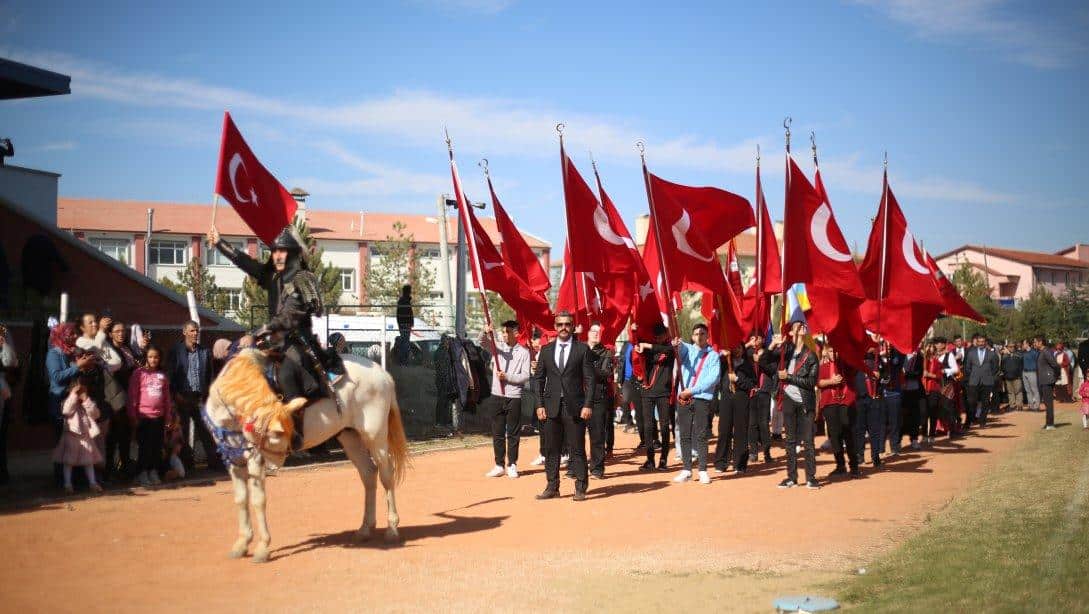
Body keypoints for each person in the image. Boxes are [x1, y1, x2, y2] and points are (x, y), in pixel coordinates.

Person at [207, 225, 342, 422]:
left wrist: (255, 332)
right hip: (275, 342)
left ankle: (296, 429)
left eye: (282, 251)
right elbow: (247, 264)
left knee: (286, 372)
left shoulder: (301, 279)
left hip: (298, 342)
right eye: (274, 251)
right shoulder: (273, 277)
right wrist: (220, 243)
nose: (277, 256)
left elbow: (288, 317)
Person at [531, 311, 596, 501]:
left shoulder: (582, 349)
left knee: (577, 448)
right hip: (551, 406)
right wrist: (539, 404)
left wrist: (588, 404)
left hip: (575, 406)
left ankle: (581, 486)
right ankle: (552, 486)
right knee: (551, 448)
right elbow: (538, 379)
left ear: (573, 326)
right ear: (555, 326)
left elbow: (590, 380)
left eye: (567, 324)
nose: (563, 328)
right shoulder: (546, 350)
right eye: (560, 325)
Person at [46, 323, 97, 487]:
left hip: (79, 405)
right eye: (71, 334)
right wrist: (78, 366)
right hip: (62, 404)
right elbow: (57, 377)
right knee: (63, 444)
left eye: (75, 333)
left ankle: (79, 480)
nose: (75, 336)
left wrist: (87, 367)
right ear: (61, 336)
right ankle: (62, 481)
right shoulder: (54, 354)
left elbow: (80, 376)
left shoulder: (74, 353)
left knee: (81, 443)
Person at [479, 320, 531, 479]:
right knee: (497, 431)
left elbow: (525, 376)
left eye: (507, 332)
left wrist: (507, 377)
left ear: (516, 333)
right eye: (502, 332)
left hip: (513, 396)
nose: (504, 335)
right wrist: (485, 331)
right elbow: (481, 342)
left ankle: (512, 464)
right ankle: (499, 464)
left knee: (513, 433)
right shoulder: (498, 348)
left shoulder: (524, 352)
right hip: (497, 395)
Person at [771, 322, 819, 489]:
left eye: (803, 326)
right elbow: (765, 361)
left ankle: (811, 478)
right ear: (791, 332)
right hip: (789, 400)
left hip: (805, 401)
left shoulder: (811, 355)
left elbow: (811, 381)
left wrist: (789, 377)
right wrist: (772, 345)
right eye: (797, 326)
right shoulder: (786, 352)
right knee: (790, 441)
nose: (800, 327)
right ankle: (791, 477)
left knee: (808, 441)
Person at [168, 321, 220, 471]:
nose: (195, 333)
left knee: (206, 430)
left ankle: (214, 463)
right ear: (184, 332)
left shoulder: (205, 352)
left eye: (196, 331)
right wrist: (175, 394)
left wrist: (208, 395)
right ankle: (187, 464)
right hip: (182, 397)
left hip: (199, 398)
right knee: (182, 432)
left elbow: (210, 376)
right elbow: (170, 375)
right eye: (191, 331)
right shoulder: (176, 351)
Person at [673, 323, 720, 484]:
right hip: (684, 399)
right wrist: (677, 344)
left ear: (707, 336)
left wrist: (693, 390)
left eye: (702, 333)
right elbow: (680, 349)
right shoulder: (688, 349)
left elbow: (712, 379)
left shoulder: (713, 356)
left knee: (701, 434)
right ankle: (686, 469)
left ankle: (702, 470)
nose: (699, 336)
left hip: (701, 398)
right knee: (684, 435)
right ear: (692, 336)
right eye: (696, 334)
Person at [127, 345, 174, 486]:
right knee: (144, 447)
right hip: (143, 417)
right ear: (146, 358)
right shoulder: (138, 374)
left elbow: (166, 398)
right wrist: (133, 416)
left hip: (158, 418)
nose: (153, 360)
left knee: (156, 446)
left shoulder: (162, 376)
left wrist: (168, 417)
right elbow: (132, 396)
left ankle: (153, 471)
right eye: (150, 357)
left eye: (156, 357)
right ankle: (142, 473)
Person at [635, 322, 675, 472]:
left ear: (666, 334)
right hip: (647, 392)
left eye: (661, 335)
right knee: (648, 426)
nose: (658, 338)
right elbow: (639, 348)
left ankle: (663, 459)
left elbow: (664, 349)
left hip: (663, 392)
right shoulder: (649, 348)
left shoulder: (670, 348)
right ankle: (650, 459)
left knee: (664, 426)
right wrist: (635, 334)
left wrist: (648, 346)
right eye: (656, 335)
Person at [53, 377, 103, 494]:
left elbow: (95, 414)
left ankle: (92, 483)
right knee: (68, 461)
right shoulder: (68, 401)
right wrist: (73, 395)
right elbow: (66, 411)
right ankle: (67, 484)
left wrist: (85, 399)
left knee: (88, 461)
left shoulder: (89, 401)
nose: (80, 392)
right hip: (71, 435)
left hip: (86, 436)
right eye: (77, 390)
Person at [714, 340, 755, 475]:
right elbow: (714, 364)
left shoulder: (748, 365)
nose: (737, 350)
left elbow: (751, 384)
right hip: (726, 398)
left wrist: (737, 380)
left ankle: (740, 464)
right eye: (734, 348)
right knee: (724, 430)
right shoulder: (725, 362)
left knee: (741, 431)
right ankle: (721, 462)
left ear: (743, 349)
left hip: (741, 399)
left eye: (739, 348)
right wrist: (723, 355)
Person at [818, 342, 859, 478]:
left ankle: (854, 465)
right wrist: (831, 381)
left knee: (848, 432)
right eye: (830, 351)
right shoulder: (823, 367)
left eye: (835, 351)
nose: (833, 354)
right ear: (825, 352)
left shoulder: (846, 365)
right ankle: (840, 465)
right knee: (834, 435)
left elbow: (855, 369)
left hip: (845, 401)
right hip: (829, 402)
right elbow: (818, 383)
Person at [585, 323, 615, 479]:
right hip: (578, 396)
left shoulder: (606, 353)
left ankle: (597, 468)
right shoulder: (579, 349)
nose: (596, 334)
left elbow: (606, 373)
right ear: (588, 333)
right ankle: (574, 466)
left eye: (599, 332)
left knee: (597, 435)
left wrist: (588, 365)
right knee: (574, 434)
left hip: (598, 397)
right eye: (593, 331)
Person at [963, 333, 999, 429]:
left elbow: (995, 368)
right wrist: (973, 375)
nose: (981, 343)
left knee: (985, 402)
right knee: (971, 402)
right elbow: (967, 367)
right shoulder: (971, 353)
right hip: (974, 381)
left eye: (983, 342)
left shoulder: (991, 354)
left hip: (987, 381)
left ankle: (982, 422)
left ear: (985, 342)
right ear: (977, 342)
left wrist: (988, 375)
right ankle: (969, 421)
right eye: (979, 342)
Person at [752, 333, 777, 464]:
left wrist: (760, 361)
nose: (756, 340)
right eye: (753, 338)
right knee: (752, 423)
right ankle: (753, 452)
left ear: (763, 339)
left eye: (758, 338)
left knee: (763, 422)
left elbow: (773, 369)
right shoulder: (748, 353)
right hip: (751, 391)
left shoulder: (769, 354)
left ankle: (767, 452)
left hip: (764, 391)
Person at [901, 345, 925, 450]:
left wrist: (906, 374)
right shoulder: (900, 355)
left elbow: (919, 374)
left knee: (915, 416)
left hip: (915, 391)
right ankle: (898, 441)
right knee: (902, 417)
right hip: (902, 391)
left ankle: (914, 439)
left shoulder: (919, 357)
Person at [1036, 336, 1060, 430]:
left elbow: (1055, 364)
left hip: (1047, 381)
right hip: (1043, 380)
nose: (1034, 344)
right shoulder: (1042, 352)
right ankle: (1048, 423)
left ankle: (1050, 424)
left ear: (1040, 342)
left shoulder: (1046, 351)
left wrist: (1055, 376)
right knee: (1046, 403)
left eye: (1035, 342)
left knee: (1049, 403)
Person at [1000, 344, 1023, 411]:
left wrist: (1019, 375)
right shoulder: (1004, 356)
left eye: (1013, 347)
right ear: (1007, 348)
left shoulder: (1018, 355)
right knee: (1010, 392)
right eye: (1010, 347)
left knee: (1018, 391)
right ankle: (1012, 405)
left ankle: (1019, 405)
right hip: (1007, 377)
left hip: (1017, 377)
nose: (1012, 348)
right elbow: (1002, 366)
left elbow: (1021, 366)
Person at [396, 285, 414, 366]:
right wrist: (410, 322)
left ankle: (403, 360)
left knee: (405, 341)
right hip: (405, 324)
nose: (411, 292)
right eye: (410, 291)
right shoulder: (404, 301)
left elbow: (399, 314)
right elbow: (407, 313)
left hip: (404, 324)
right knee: (405, 342)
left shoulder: (403, 301)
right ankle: (403, 361)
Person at [1021, 339, 1041, 412]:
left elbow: (1038, 361)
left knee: (1034, 389)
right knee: (1028, 390)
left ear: (1028, 344)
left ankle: (1037, 406)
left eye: (1024, 344)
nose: (1023, 345)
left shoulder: (1034, 352)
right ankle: (1031, 405)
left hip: (1032, 372)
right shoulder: (1023, 353)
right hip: (1024, 372)